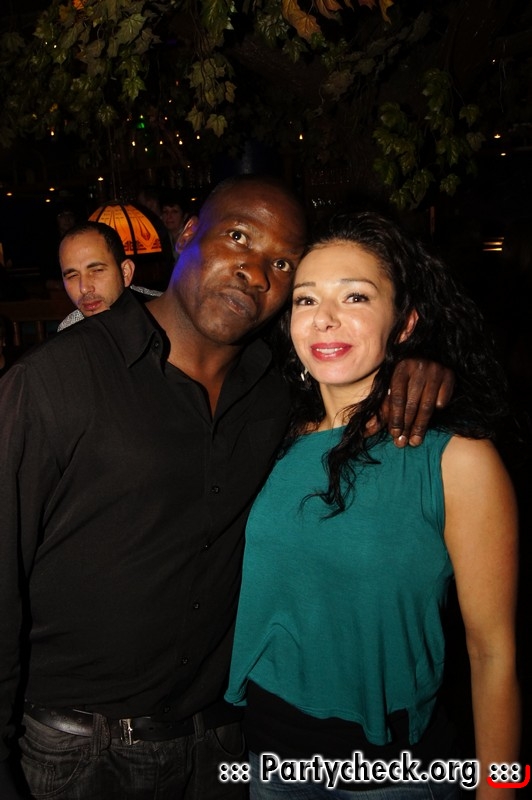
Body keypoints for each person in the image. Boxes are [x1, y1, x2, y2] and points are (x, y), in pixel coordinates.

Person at [0, 177, 453, 800]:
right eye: (238, 236)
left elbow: (357, 383)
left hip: (225, 746)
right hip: (76, 755)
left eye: (282, 263)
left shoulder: (280, 396)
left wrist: (417, 366)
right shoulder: (55, 380)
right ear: (188, 233)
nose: (254, 271)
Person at [226, 210, 520, 800]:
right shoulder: (264, 434)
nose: (325, 317)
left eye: (355, 296)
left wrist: (502, 791)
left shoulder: (457, 460)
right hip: (265, 764)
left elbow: (493, 655)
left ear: (405, 322)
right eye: (306, 299)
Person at [57, 221, 160, 330]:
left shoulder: (163, 314)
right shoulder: (69, 330)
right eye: (72, 276)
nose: (84, 288)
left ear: (125, 272)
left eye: (97, 271)